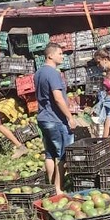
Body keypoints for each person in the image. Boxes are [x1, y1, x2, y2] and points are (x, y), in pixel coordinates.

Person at [35, 42, 76, 194]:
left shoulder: (39, 73)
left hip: (43, 118)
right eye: (60, 53)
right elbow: (58, 98)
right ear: (50, 55)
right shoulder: (53, 73)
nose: (62, 56)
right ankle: (58, 189)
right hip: (55, 119)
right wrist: (69, 117)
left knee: (49, 153)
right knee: (63, 155)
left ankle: (51, 185)